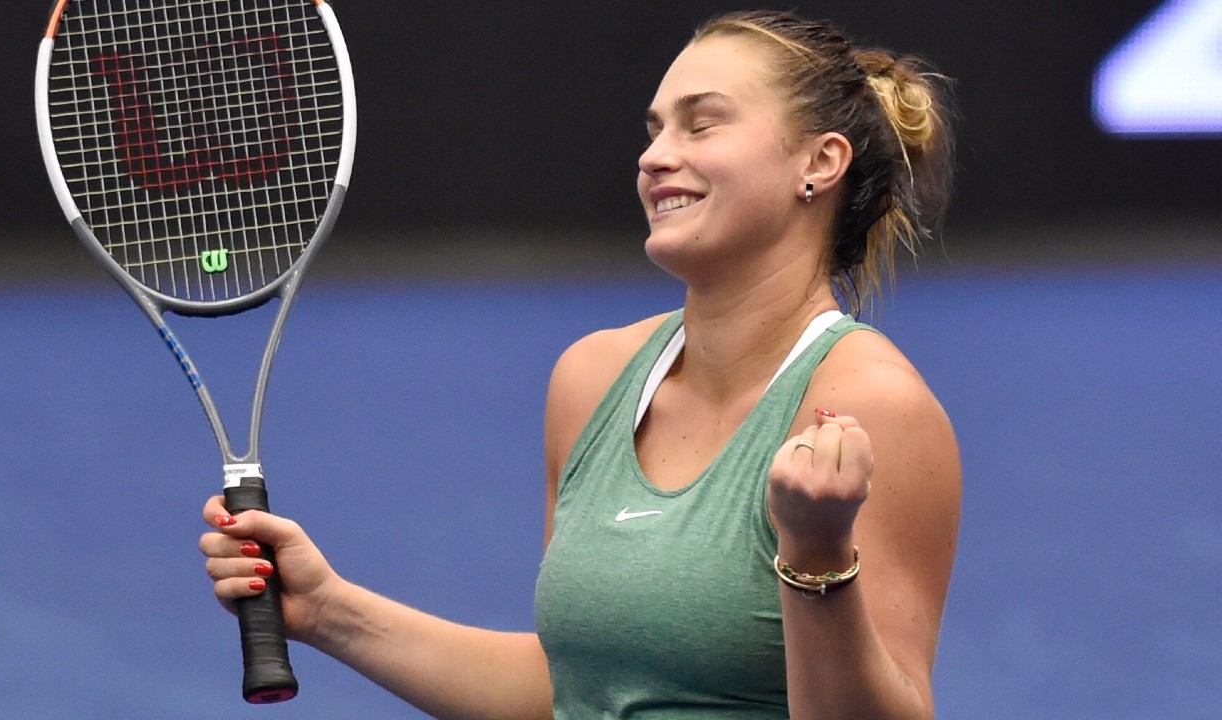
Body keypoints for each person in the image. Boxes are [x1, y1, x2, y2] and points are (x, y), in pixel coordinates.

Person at [201, 9, 960, 719]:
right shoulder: (592, 378)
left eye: (702, 124)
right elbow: (570, 685)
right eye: (655, 130)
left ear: (819, 162)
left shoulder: (875, 406)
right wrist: (327, 609)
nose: (657, 157)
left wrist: (818, 553)